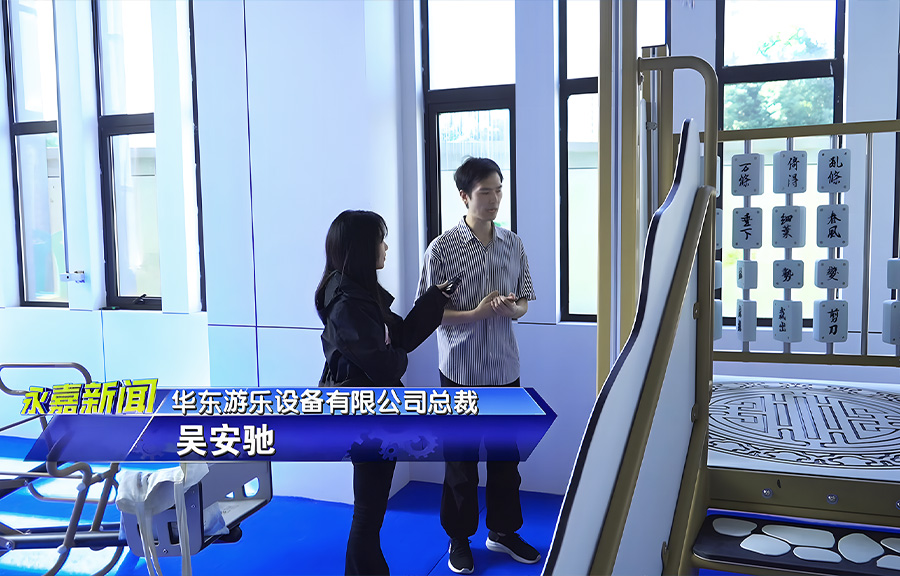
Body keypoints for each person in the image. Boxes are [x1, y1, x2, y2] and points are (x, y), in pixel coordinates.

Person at [417, 157, 539, 574]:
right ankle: (458, 538)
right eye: (485, 192)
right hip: (460, 371)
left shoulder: (513, 244)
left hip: (505, 368)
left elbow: (524, 301)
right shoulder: (442, 249)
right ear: (464, 197)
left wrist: (511, 309)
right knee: (461, 463)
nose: (494, 199)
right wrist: (476, 313)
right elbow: (427, 315)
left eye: (499, 190)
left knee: (506, 459)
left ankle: (503, 532)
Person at [315, 209, 450, 575]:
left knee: (370, 512)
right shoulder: (346, 304)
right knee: (368, 514)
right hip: (363, 417)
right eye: (380, 240)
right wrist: (396, 356)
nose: (386, 247)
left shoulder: (360, 293)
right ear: (361, 248)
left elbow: (400, 336)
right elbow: (386, 364)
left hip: (376, 413)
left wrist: (435, 298)